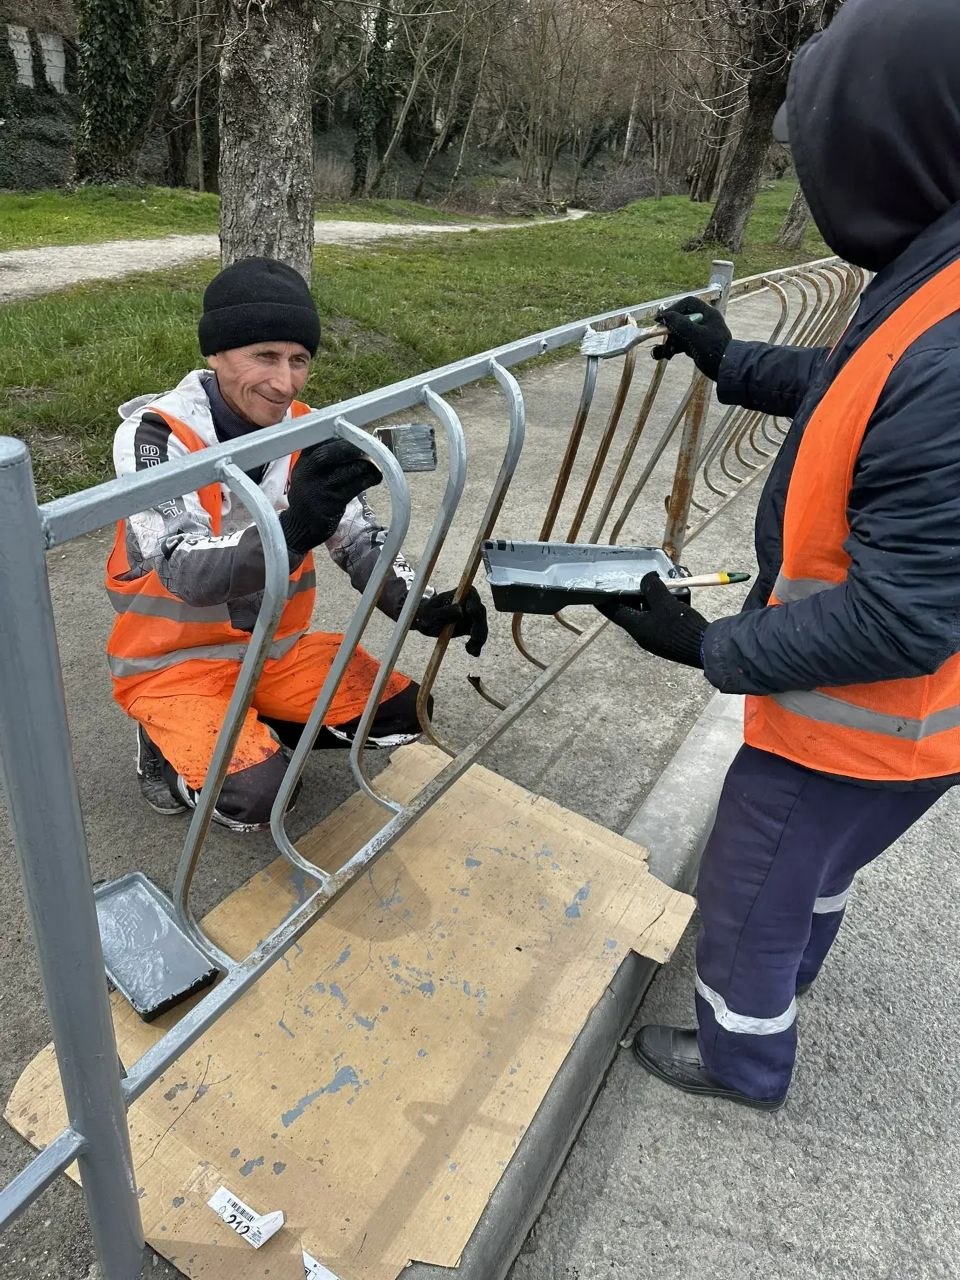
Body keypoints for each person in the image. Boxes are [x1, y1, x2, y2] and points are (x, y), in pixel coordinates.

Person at [599, 0, 960, 1109]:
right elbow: (854, 389)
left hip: (860, 722)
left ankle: (743, 1057)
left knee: (751, 882)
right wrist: (727, 358)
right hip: (909, 729)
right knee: (816, 865)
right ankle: (792, 971)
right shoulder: (933, 276)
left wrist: (711, 644)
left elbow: (904, 615)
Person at [106, 256, 487, 833]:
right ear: (215, 353)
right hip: (173, 664)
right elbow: (183, 568)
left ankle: (257, 729)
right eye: (264, 356)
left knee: (408, 712)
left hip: (272, 651)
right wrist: (293, 529)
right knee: (263, 799)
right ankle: (168, 743)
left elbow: (358, 539)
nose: (284, 383)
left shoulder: (308, 427)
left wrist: (421, 602)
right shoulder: (155, 436)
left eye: (299, 360)